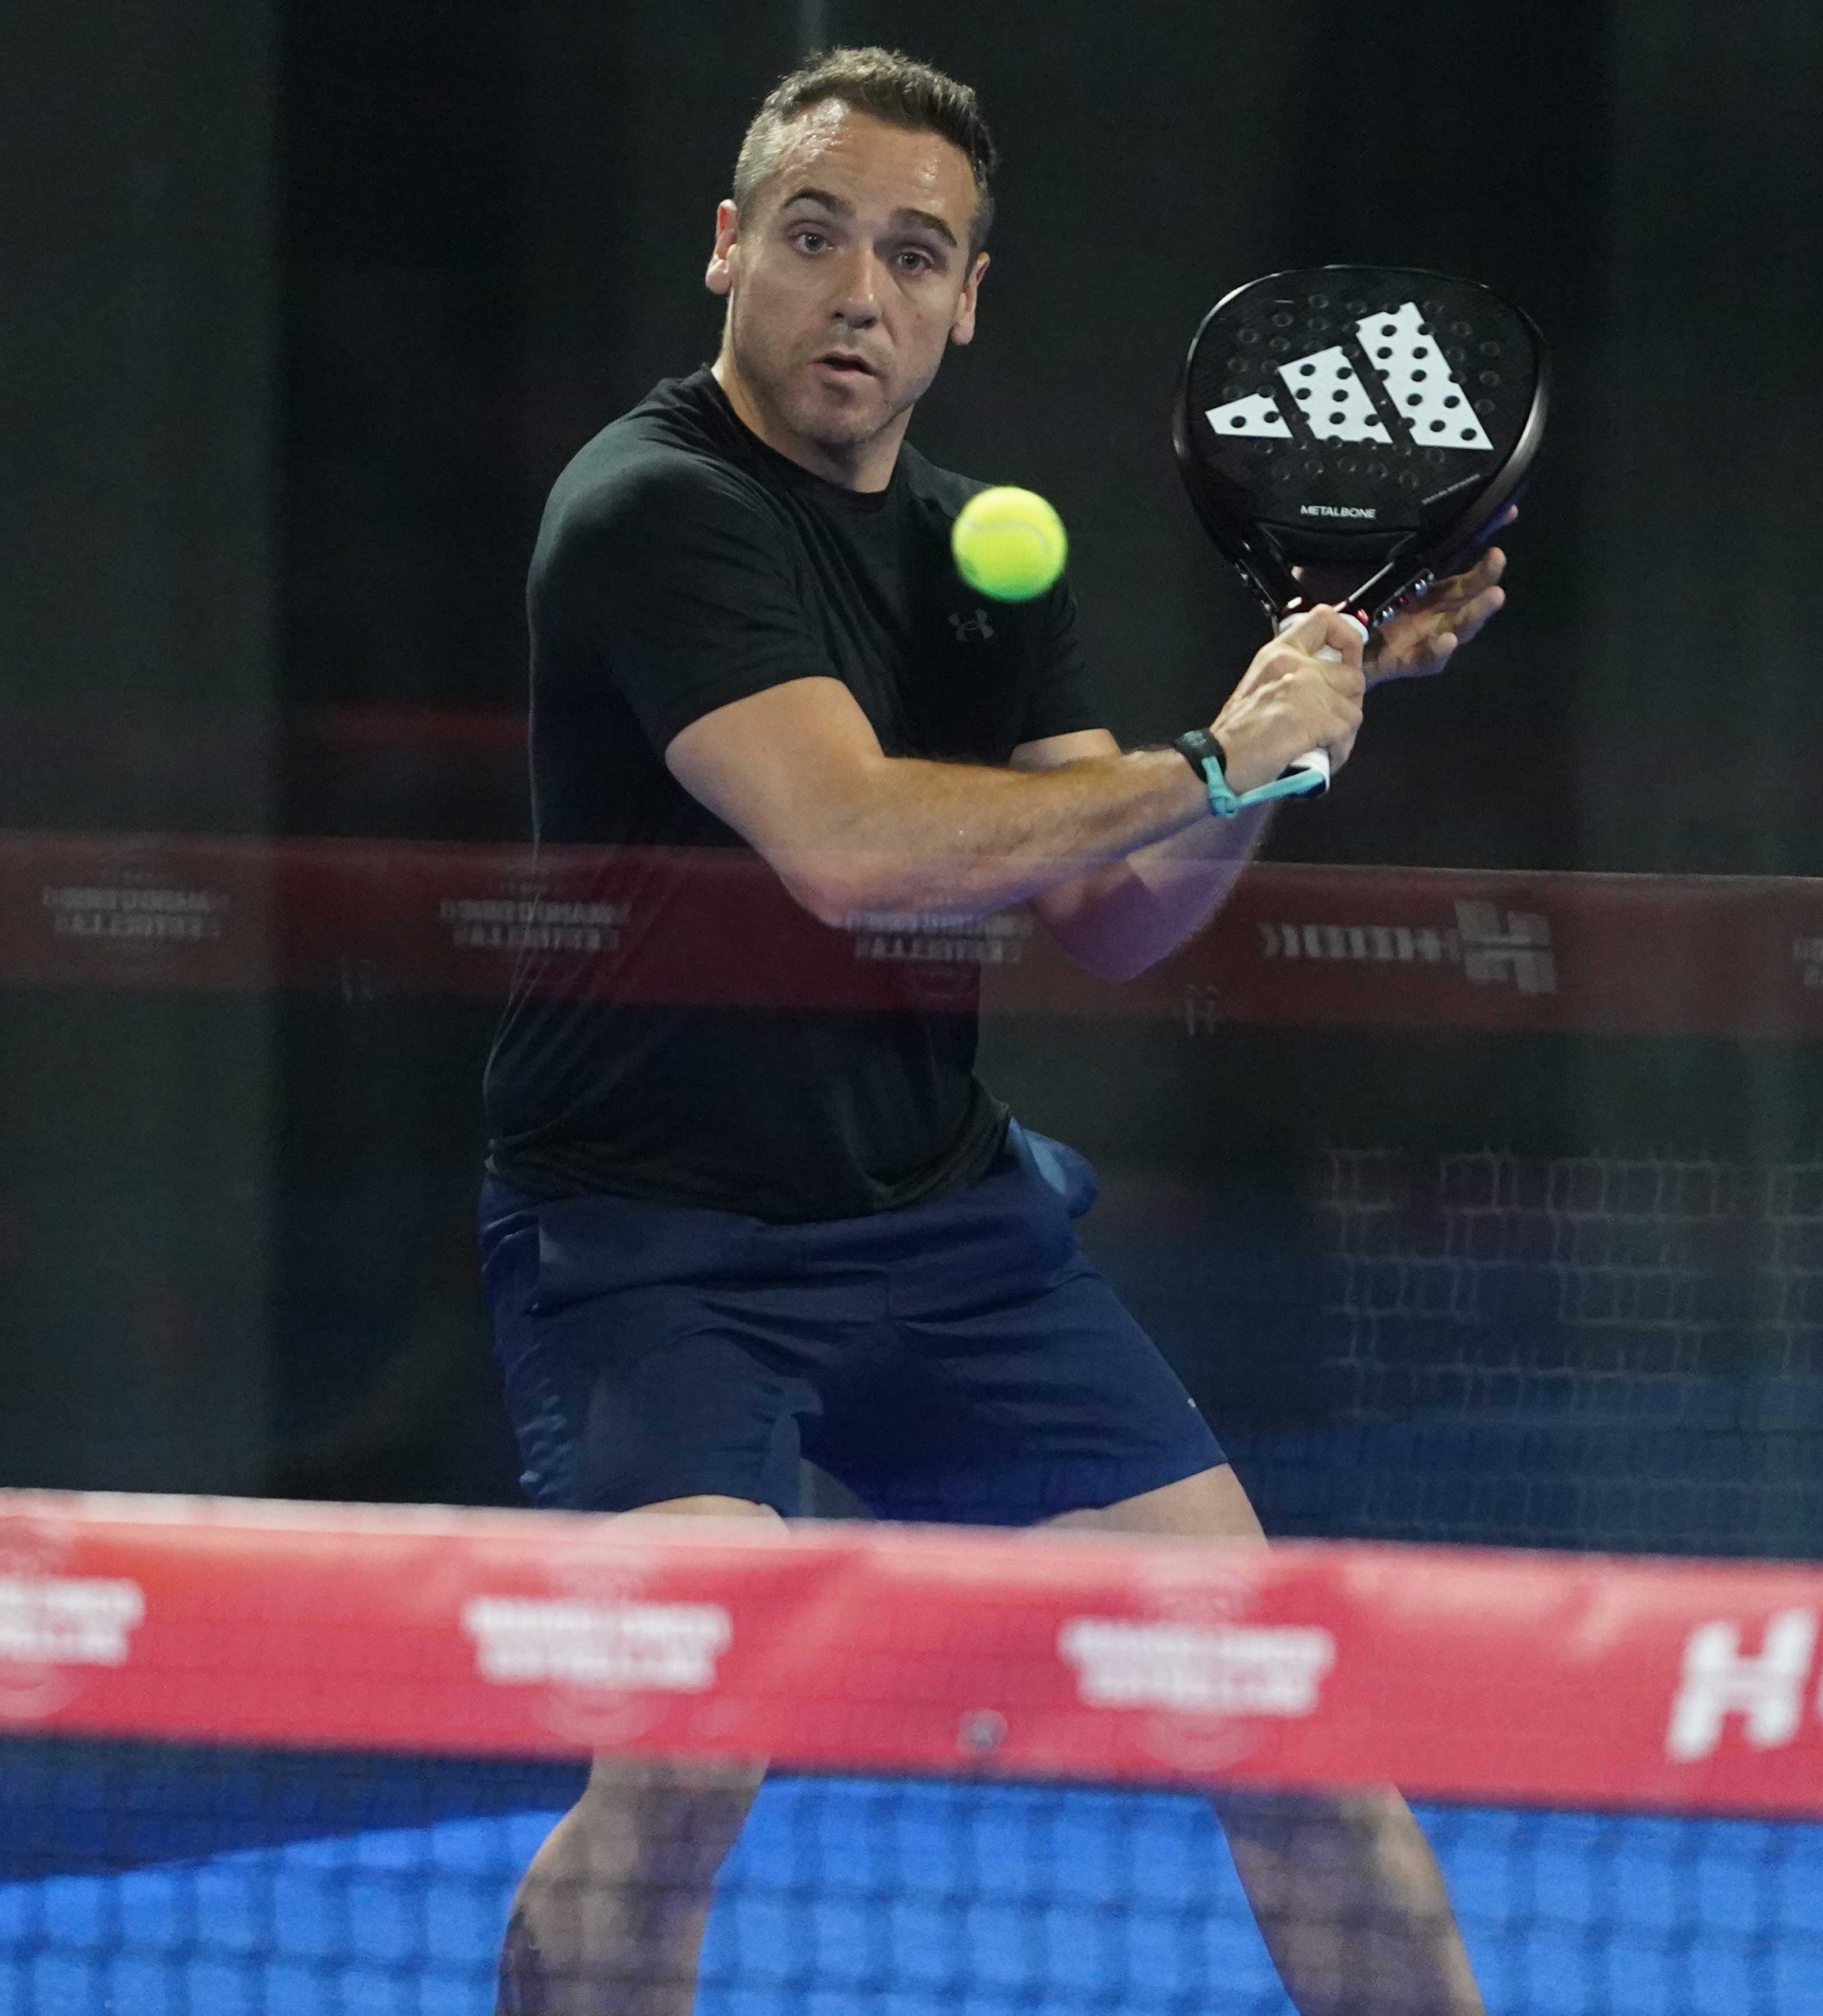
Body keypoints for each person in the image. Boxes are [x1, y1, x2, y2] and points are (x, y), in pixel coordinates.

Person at [477, 46, 1510, 2015]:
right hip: (651, 1240)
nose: (858, 292)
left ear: (967, 303)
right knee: (686, 1764)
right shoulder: (650, 508)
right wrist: (1212, 756)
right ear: (728, 249)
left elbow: (1113, 916)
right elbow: (854, 847)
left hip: (941, 1230)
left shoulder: (979, 553)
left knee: (1283, 1720)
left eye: (914, 255)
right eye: (814, 237)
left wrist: (1298, 726)